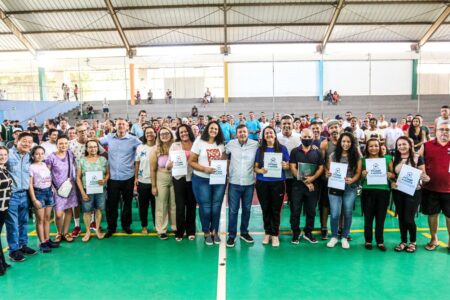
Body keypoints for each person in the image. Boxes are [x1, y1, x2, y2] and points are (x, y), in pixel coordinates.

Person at [99, 118, 141, 238]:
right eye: (119, 124)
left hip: (128, 176)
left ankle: (126, 226)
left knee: (127, 203)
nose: (121, 126)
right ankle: (111, 227)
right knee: (111, 204)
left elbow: (144, 149)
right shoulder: (109, 137)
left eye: (123, 124)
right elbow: (96, 142)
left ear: (127, 127)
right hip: (112, 177)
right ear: (115, 126)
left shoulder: (134, 140)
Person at [189, 121, 227, 245]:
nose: (214, 131)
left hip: (218, 180)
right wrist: (205, 169)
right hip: (201, 179)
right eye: (211, 128)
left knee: (216, 206)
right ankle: (206, 232)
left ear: (219, 131)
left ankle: (214, 231)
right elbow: (192, 161)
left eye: (216, 129)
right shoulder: (199, 141)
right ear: (207, 129)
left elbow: (224, 159)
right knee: (205, 207)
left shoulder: (221, 143)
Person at [390, 136, 429, 253]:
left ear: (410, 145)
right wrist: (392, 182)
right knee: (401, 218)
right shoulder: (394, 158)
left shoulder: (418, 158)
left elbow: (424, 175)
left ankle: (413, 242)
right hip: (398, 191)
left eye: (404, 144)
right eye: (399, 145)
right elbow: (392, 176)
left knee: (409, 219)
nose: (401, 146)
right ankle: (403, 241)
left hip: (414, 192)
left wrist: (425, 178)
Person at [254, 126, 290, 247]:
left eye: (271, 132)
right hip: (262, 183)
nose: (269, 135)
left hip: (278, 183)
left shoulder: (282, 148)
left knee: (276, 209)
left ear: (275, 135)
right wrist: (260, 171)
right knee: (266, 209)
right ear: (264, 136)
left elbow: (288, 166)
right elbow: (255, 168)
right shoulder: (260, 150)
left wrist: (285, 165)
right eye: (266, 133)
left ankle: (275, 235)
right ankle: (267, 232)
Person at [326, 132, 362, 249]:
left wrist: (352, 180)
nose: (345, 144)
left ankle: (345, 237)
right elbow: (329, 171)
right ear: (340, 142)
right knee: (335, 213)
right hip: (335, 186)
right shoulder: (333, 155)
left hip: (349, 188)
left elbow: (358, 173)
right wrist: (328, 173)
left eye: (348, 142)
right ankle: (334, 236)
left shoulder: (356, 156)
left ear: (352, 143)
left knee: (347, 212)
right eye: (343, 141)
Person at [225, 124, 259, 247]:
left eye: (244, 132)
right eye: (240, 132)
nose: (242, 134)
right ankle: (232, 236)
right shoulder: (230, 144)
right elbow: (221, 153)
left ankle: (244, 233)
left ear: (248, 132)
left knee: (247, 209)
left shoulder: (255, 145)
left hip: (249, 183)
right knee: (233, 211)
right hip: (234, 183)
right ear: (236, 133)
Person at [289, 128, 324, 244]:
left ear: (313, 138)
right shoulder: (294, 151)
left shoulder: (317, 152)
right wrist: (305, 181)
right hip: (297, 186)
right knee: (295, 210)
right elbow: (292, 168)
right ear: (300, 138)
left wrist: (312, 179)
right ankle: (295, 233)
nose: (307, 139)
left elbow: (321, 168)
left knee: (311, 211)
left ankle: (308, 232)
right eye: (305, 137)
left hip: (313, 187)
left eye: (309, 137)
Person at [6, 132, 37, 262]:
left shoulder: (29, 156)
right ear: (16, 141)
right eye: (24, 141)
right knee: (12, 224)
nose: (27, 144)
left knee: (23, 222)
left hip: (24, 194)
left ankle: (23, 245)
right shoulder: (8, 155)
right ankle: (13, 250)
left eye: (30, 142)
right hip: (11, 195)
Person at [360, 139, 394, 251]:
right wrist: (363, 175)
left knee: (381, 218)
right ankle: (368, 240)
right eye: (370, 146)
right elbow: (359, 178)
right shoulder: (363, 160)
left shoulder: (387, 158)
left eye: (376, 146)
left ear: (380, 147)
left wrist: (391, 175)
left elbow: (394, 175)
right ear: (367, 148)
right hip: (367, 191)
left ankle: (380, 241)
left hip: (383, 191)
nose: (373, 148)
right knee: (368, 218)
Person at [421, 121, 450, 251]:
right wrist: (422, 173)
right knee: (432, 214)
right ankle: (434, 239)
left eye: (447, 130)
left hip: (449, 189)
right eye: (441, 129)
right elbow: (416, 160)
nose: (444, 132)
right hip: (430, 188)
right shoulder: (426, 146)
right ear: (435, 131)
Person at [167, 125, 197, 241]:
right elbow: (169, 162)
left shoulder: (196, 144)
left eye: (185, 131)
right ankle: (180, 231)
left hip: (193, 178)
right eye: (181, 132)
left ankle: (191, 231)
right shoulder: (175, 145)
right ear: (178, 134)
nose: (183, 133)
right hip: (179, 178)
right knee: (180, 206)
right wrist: (169, 165)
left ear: (189, 132)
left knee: (191, 205)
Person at [46, 135, 77, 243]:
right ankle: (59, 232)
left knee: (69, 210)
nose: (63, 145)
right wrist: (51, 186)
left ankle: (65, 232)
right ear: (57, 145)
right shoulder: (51, 157)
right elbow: (47, 173)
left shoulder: (70, 153)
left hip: (69, 186)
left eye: (65, 143)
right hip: (57, 188)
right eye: (61, 143)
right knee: (58, 213)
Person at [76, 140, 109, 242]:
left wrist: (104, 180)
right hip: (87, 190)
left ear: (97, 148)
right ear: (86, 149)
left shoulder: (103, 160)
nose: (93, 149)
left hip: (100, 190)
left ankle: (97, 230)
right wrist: (82, 192)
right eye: (90, 147)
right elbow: (78, 177)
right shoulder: (82, 160)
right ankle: (88, 231)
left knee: (99, 210)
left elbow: (108, 173)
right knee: (87, 211)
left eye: (95, 146)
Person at [29, 146, 58, 253]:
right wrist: (34, 199)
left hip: (48, 192)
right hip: (38, 193)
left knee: (47, 218)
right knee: (40, 220)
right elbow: (30, 185)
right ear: (32, 155)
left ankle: (47, 239)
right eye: (37, 153)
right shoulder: (31, 167)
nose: (40, 155)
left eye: (42, 153)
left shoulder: (45, 164)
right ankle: (42, 242)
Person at [150, 127, 176, 240]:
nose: (164, 135)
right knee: (161, 205)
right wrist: (154, 186)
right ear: (159, 137)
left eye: (166, 133)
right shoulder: (155, 149)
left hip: (176, 178)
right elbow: (152, 169)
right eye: (162, 134)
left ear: (171, 134)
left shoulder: (176, 147)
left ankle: (175, 227)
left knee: (174, 205)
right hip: (161, 177)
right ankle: (161, 229)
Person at [319, 119, 341, 240]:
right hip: (328, 179)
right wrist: (326, 171)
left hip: (342, 178)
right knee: (325, 204)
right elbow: (322, 161)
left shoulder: (346, 141)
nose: (334, 130)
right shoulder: (324, 143)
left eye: (336, 127)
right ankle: (324, 228)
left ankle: (341, 228)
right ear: (328, 130)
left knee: (341, 205)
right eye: (331, 128)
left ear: (340, 128)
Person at [134, 126, 157, 234]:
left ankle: (157, 225)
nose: (149, 134)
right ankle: (144, 226)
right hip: (143, 181)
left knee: (156, 206)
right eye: (147, 133)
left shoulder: (159, 146)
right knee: (143, 206)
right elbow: (137, 163)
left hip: (156, 181)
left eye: (151, 132)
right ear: (144, 134)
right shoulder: (140, 147)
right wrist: (136, 178)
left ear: (155, 133)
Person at [277, 115, 301, 206]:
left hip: (294, 173)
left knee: (293, 197)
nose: (286, 125)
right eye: (284, 123)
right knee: (279, 197)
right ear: (280, 125)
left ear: (293, 124)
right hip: (280, 173)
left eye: (289, 123)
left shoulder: (299, 137)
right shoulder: (276, 137)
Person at [0, 146, 12, 274]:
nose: (2, 157)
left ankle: (2, 262)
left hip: (4, 207)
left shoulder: (4, 169)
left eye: (4, 154)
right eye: (0, 155)